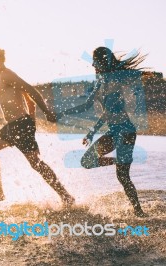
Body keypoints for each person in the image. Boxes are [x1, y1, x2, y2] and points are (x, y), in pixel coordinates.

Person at [58, 46, 147, 217]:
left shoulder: (113, 81)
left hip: (126, 132)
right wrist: (66, 115)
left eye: (95, 63)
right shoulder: (101, 82)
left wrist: (91, 130)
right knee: (87, 161)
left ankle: (139, 212)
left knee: (123, 177)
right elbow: (90, 107)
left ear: (103, 62)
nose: (93, 66)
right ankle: (117, 161)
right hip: (115, 132)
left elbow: (109, 110)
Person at [0, 47, 75, 206]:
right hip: (15, 125)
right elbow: (27, 96)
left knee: (35, 163)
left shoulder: (7, 75)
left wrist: (46, 111)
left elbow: (31, 90)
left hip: (19, 125)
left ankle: (65, 195)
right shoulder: (2, 77)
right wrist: (31, 117)